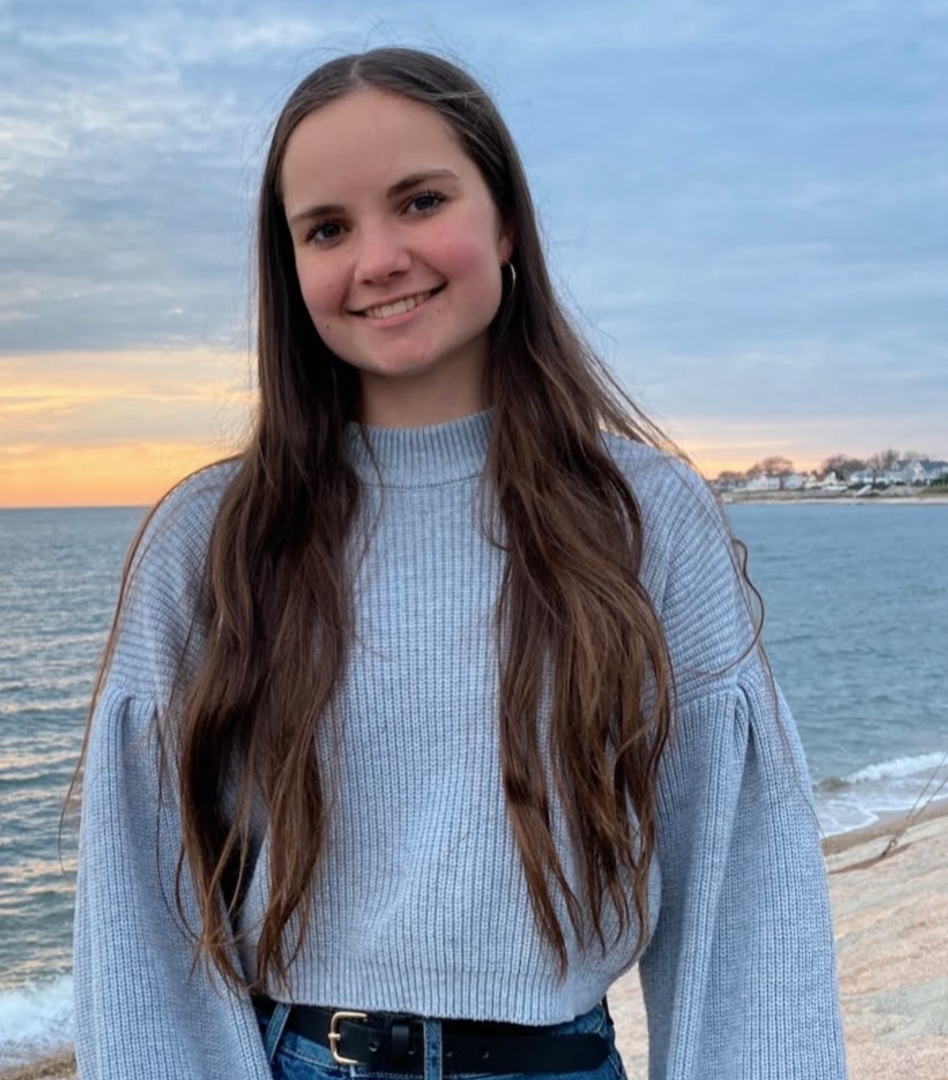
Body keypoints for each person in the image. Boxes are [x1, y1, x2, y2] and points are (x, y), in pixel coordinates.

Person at [70, 47, 846, 1080]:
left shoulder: (644, 519)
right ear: (290, 268)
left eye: (421, 200)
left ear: (507, 217)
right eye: (329, 229)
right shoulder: (213, 538)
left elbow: (741, 898)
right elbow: (141, 912)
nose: (379, 257)